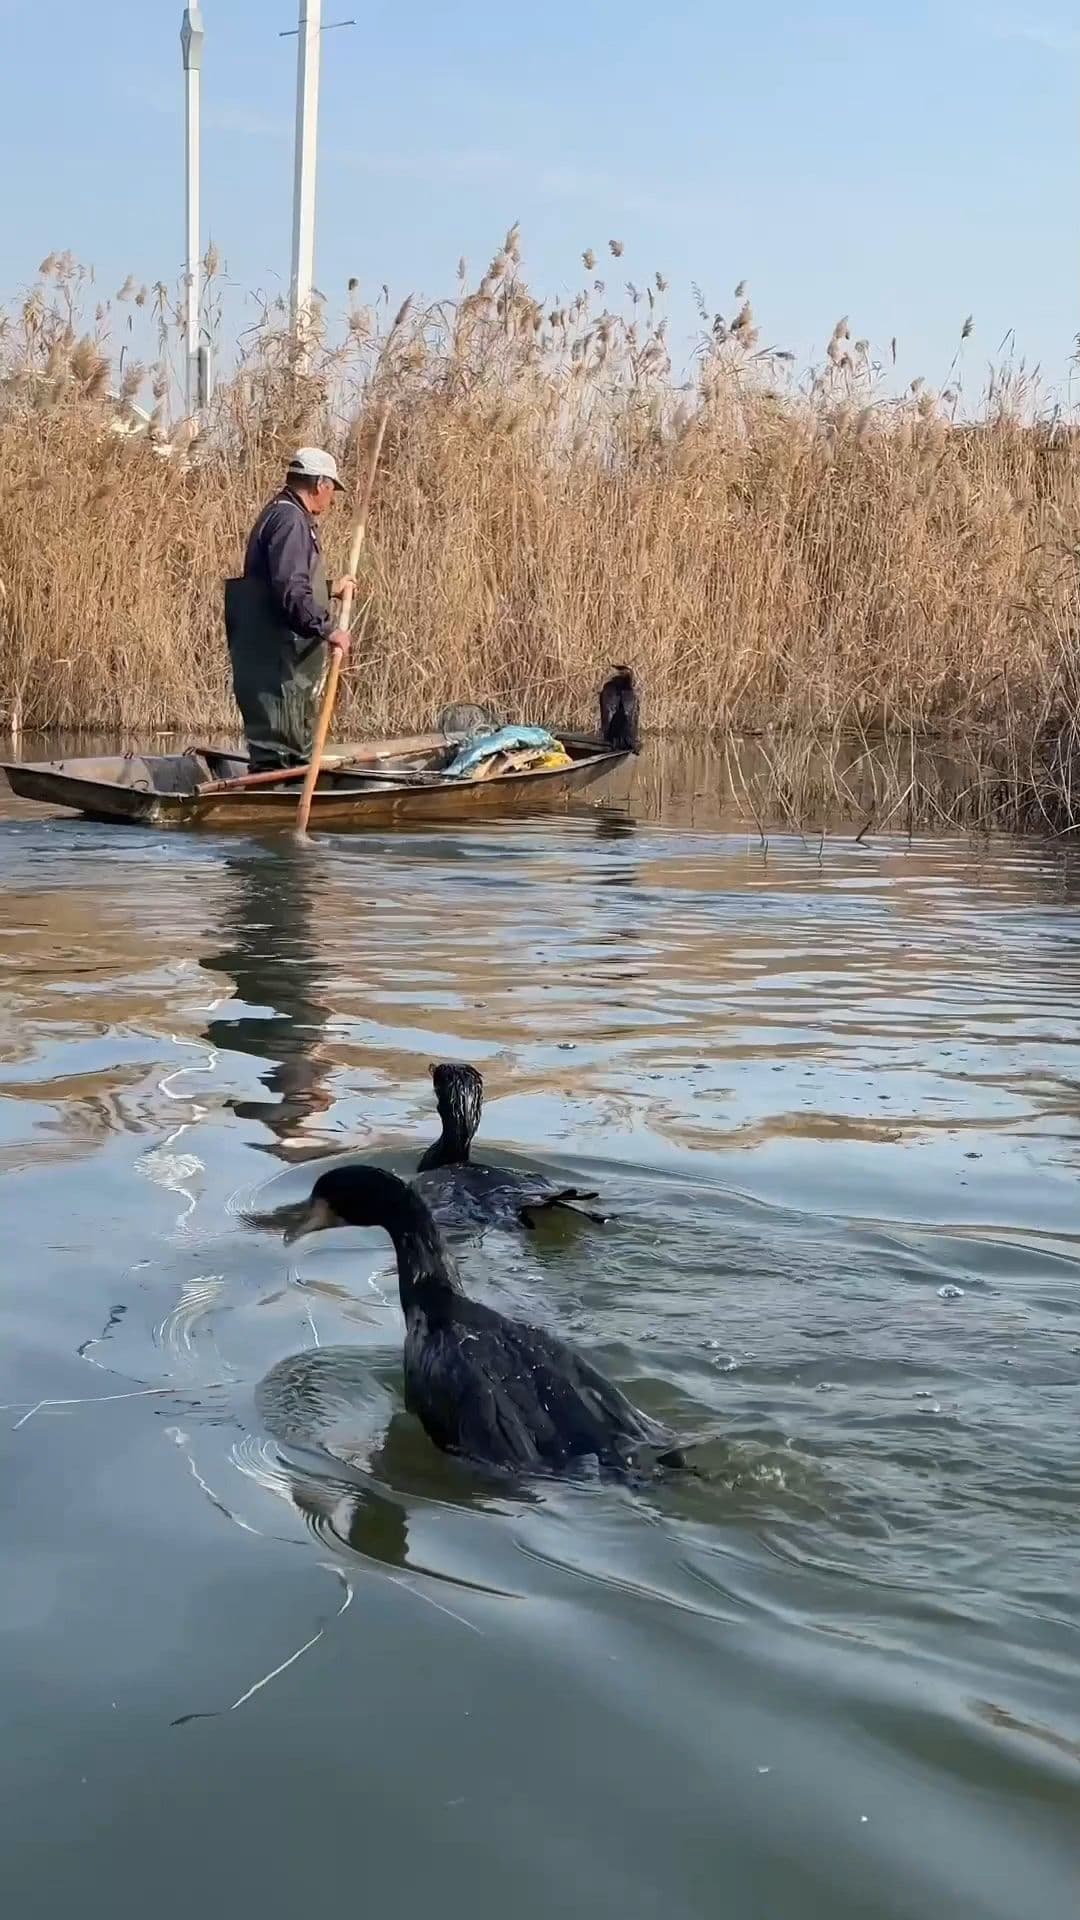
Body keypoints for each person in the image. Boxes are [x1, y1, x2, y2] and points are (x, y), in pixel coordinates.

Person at [224, 447, 356, 773]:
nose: (332, 500)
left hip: (266, 658)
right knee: (285, 747)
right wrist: (329, 629)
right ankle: (280, 798)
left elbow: (279, 583)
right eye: (331, 490)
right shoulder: (291, 522)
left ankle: (274, 789)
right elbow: (291, 592)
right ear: (318, 485)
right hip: (279, 663)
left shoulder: (278, 512)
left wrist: (328, 589)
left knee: (280, 744)